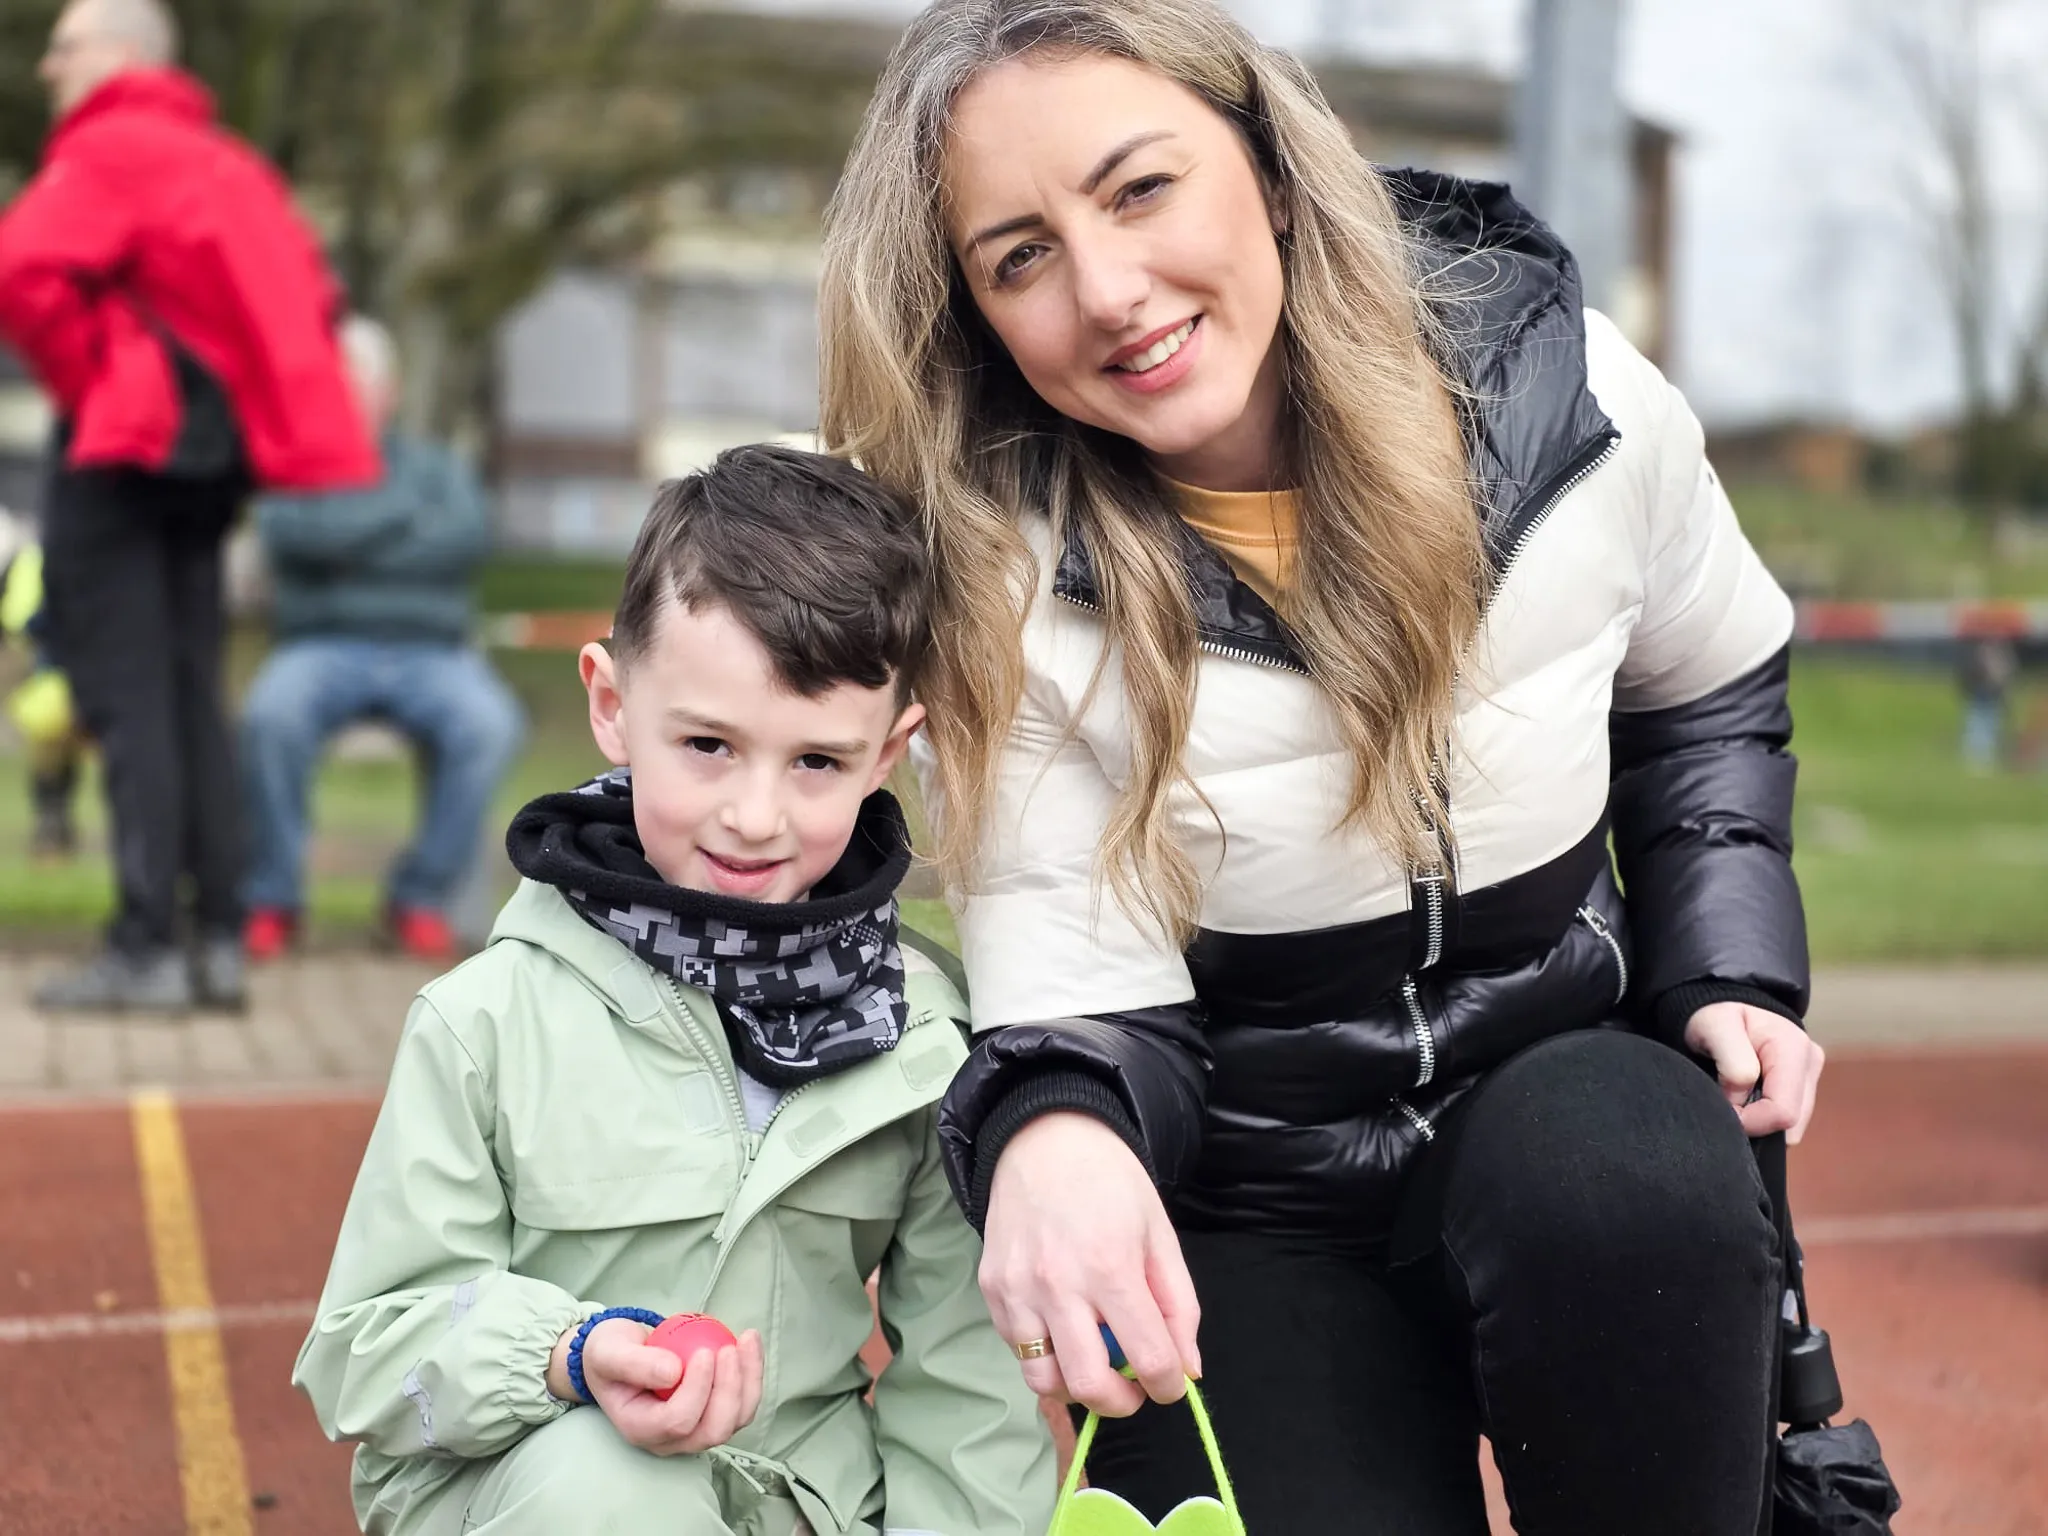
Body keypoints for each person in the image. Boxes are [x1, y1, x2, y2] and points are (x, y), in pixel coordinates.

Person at [817, 3, 1829, 1532]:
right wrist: (1058, 1133)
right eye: (1019, 257)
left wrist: (1725, 970)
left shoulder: (1577, 402)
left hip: (1565, 1107)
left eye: (1140, 189)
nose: (1107, 292)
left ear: (1275, 169)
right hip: (1250, 1199)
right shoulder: (993, 576)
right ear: (975, 316)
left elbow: (1709, 685)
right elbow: (1075, 979)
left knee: (1628, 1172)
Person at [294, 445, 1056, 1536]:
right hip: (534, 1498)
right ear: (611, 703)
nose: (754, 815)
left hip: (800, 1504)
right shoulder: (485, 1023)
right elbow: (366, 1350)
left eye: (816, 762)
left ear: (890, 752)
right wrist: (564, 1355)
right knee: (611, 1486)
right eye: (707, 744)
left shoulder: (926, 1044)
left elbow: (968, 1399)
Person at [0, 0, 377, 1012]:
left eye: (64, 47)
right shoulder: (230, 164)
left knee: (127, 702)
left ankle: (144, 949)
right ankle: (216, 942)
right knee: (189, 695)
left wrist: (94, 377)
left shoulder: (112, 146)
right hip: (212, 463)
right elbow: (312, 300)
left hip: (126, 451)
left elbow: (19, 267)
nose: (46, 68)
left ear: (123, 54)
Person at [240, 317, 524, 963]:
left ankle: (418, 897)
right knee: (269, 716)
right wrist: (401, 519)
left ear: (388, 392)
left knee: (490, 724)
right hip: (319, 648)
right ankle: (273, 896)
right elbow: (288, 537)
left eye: (359, 383)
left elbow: (466, 540)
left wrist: (342, 536)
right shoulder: (295, 462)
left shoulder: (436, 467)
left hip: (433, 653)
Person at [0, 507, 88, 859]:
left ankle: (52, 824)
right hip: (51, 672)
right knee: (51, 744)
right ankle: (52, 824)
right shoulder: (38, 559)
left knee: (54, 744)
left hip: (62, 671)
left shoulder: (39, 558)